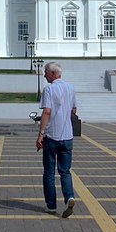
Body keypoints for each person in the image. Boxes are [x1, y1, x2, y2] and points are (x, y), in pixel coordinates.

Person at [35, 61, 77, 217]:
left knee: (49, 172)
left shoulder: (49, 89)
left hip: (52, 135)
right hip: (67, 135)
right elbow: (74, 109)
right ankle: (69, 196)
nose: (44, 74)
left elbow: (46, 111)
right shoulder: (70, 88)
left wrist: (41, 134)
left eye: (46, 72)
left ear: (53, 74)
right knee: (65, 171)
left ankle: (51, 206)